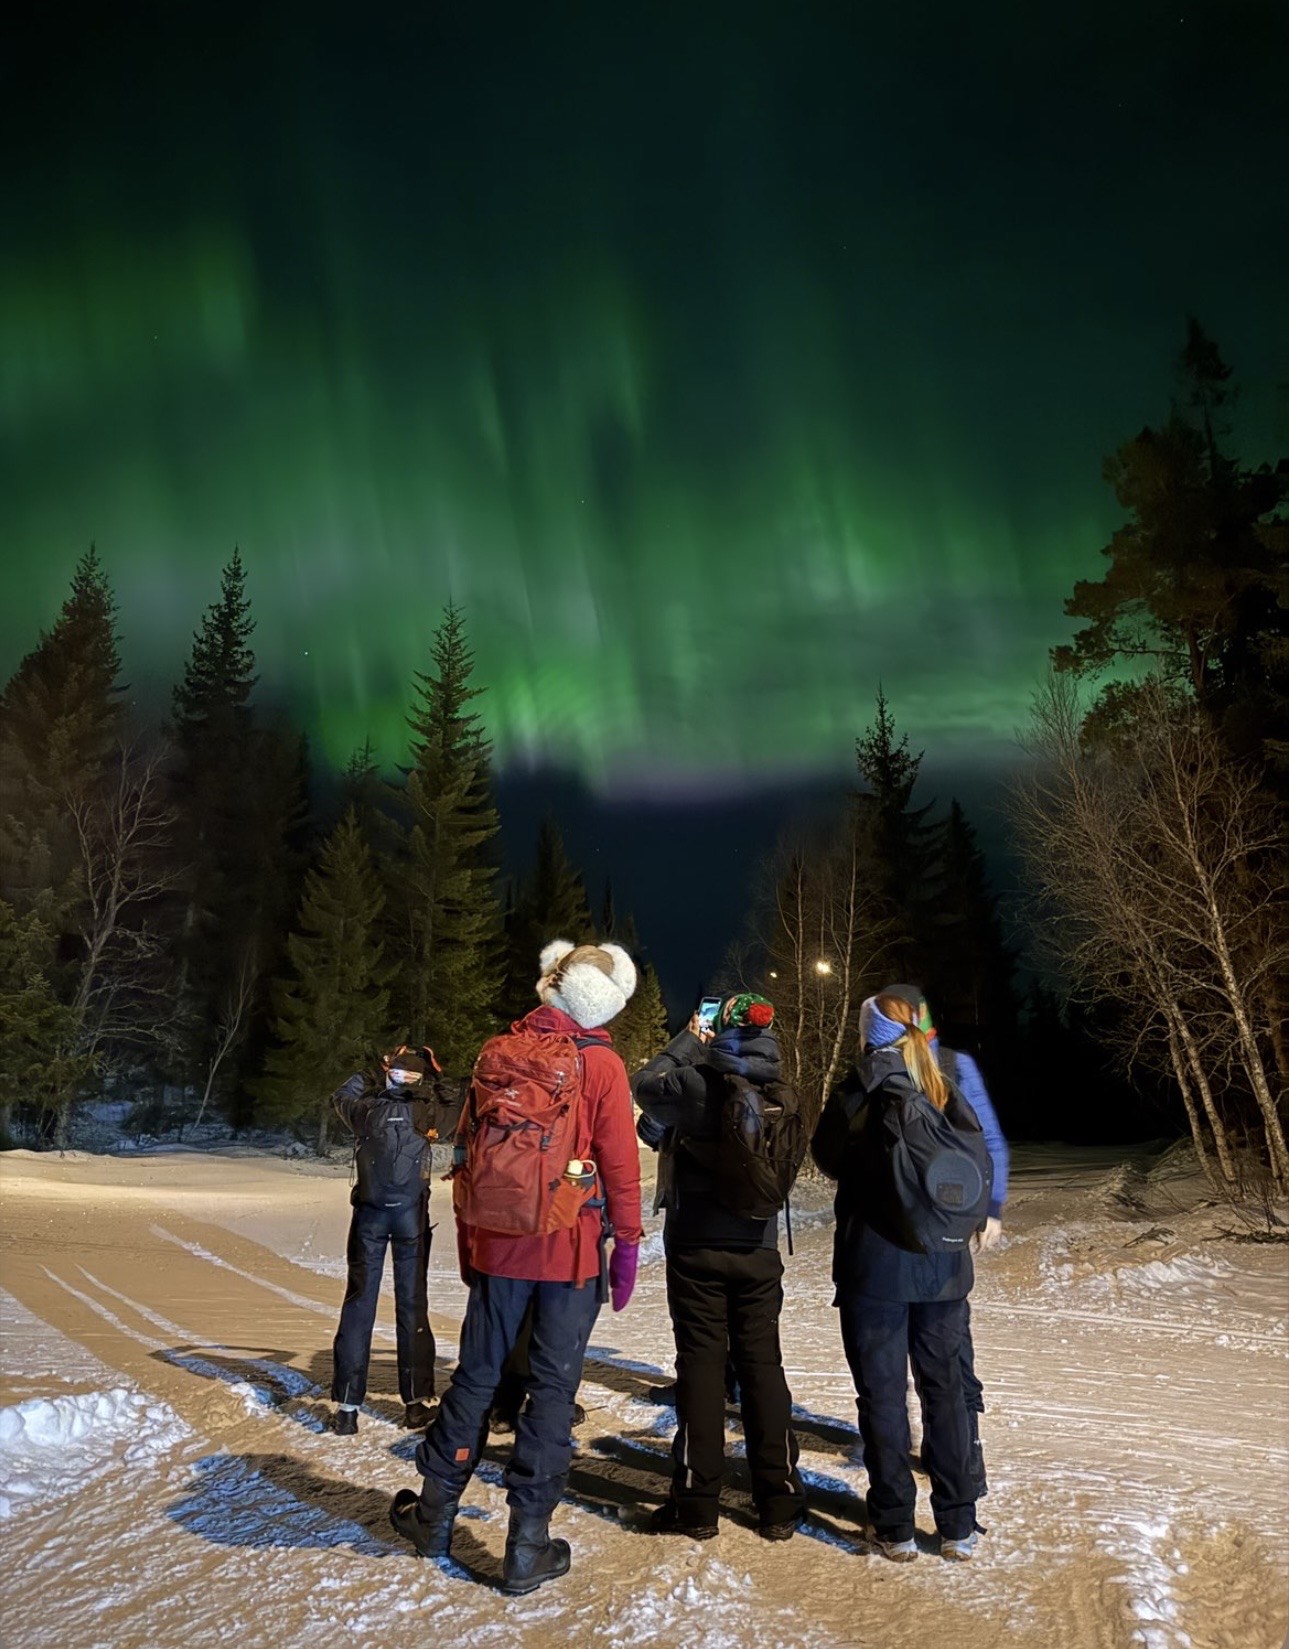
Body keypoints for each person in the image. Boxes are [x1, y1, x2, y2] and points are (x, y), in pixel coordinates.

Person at [389, 940, 643, 1595]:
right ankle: (526, 1542)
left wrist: (474, 1243)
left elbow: (471, 1150)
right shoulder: (603, 1065)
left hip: (500, 1244)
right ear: (603, 998)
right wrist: (629, 1246)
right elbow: (618, 1164)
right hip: (570, 1248)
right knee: (552, 1392)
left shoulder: (498, 1051)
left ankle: (434, 1512)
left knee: (476, 1376)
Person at [811, 993, 981, 1561]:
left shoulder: (855, 1090)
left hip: (874, 1267)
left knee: (882, 1397)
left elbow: (826, 1157)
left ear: (868, 1035)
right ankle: (958, 1525)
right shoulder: (941, 1084)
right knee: (946, 1392)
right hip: (943, 1269)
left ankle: (895, 1526)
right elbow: (974, 1166)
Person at [632, 992, 807, 1542]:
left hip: (696, 1248)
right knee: (762, 1367)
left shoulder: (694, 1084)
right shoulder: (788, 1095)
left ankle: (698, 1503)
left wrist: (689, 1037)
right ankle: (777, 1501)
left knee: (702, 1369)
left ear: (720, 1027)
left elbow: (645, 1082)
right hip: (758, 1249)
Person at [883, 983, 1008, 1498]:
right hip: (944, 1230)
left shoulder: (893, 1070)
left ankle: (959, 1454)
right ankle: (960, 1462)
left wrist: (993, 1208)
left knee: (938, 1353)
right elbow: (991, 1139)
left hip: (912, 1231)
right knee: (951, 1349)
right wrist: (990, 1209)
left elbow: (990, 1139)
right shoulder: (951, 1066)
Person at [330, 1046, 463, 1434]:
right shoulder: (429, 1112)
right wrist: (436, 1073)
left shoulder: (366, 1109)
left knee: (358, 1304)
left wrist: (374, 1067)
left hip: (369, 1214)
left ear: (389, 1073)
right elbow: (457, 1103)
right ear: (421, 1078)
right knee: (412, 1305)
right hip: (410, 1217)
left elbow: (342, 1094)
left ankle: (348, 1408)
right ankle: (416, 1404)